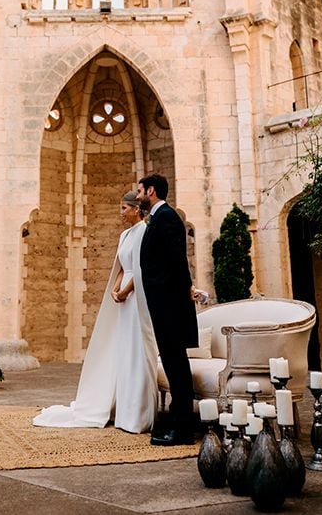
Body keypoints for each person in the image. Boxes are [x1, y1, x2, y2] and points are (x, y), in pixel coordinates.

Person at [32, 191, 158, 433]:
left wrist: (126, 291)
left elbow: (141, 267)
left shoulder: (144, 231)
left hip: (137, 295)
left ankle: (138, 413)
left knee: (136, 349)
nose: (120, 213)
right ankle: (122, 410)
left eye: (123, 208)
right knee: (123, 349)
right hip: (123, 295)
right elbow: (121, 266)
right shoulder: (124, 235)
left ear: (135, 210)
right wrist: (114, 289)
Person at [136, 173, 199, 446]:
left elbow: (177, 262)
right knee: (174, 364)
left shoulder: (168, 218)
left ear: (151, 191)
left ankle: (182, 428)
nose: (137, 196)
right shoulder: (159, 218)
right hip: (163, 302)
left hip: (170, 304)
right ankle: (177, 423)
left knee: (176, 365)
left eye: (139, 191)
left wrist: (184, 291)